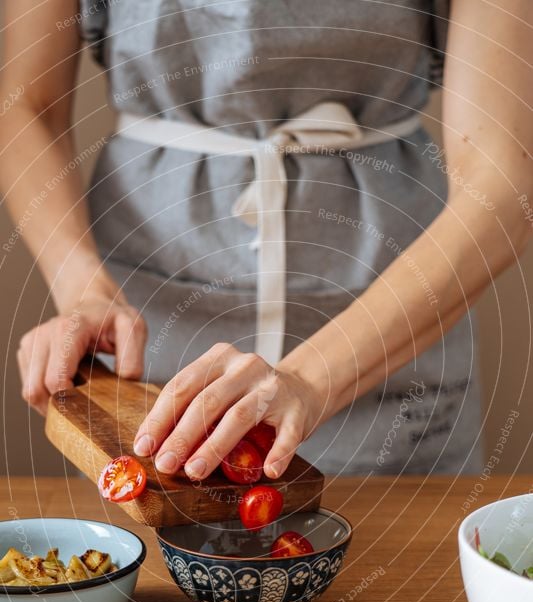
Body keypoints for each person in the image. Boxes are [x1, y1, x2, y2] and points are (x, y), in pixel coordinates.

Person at [1, 1, 531, 481]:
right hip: (146, 318)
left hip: (395, 322)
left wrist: (306, 380)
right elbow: (26, 104)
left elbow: (502, 187)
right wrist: (81, 286)